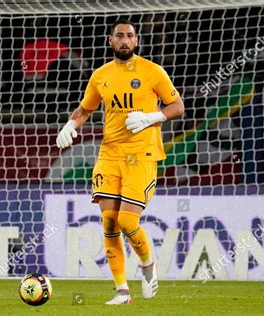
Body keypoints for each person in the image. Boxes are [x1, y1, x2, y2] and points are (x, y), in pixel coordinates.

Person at [56, 19, 185, 305]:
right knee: (109, 221)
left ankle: (148, 264)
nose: (125, 40)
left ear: (136, 41)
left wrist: (152, 117)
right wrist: (70, 125)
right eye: (120, 36)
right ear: (110, 41)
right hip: (110, 155)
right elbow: (85, 108)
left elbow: (177, 106)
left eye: (130, 36)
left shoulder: (153, 71)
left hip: (142, 155)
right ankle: (122, 291)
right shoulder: (100, 75)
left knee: (128, 220)